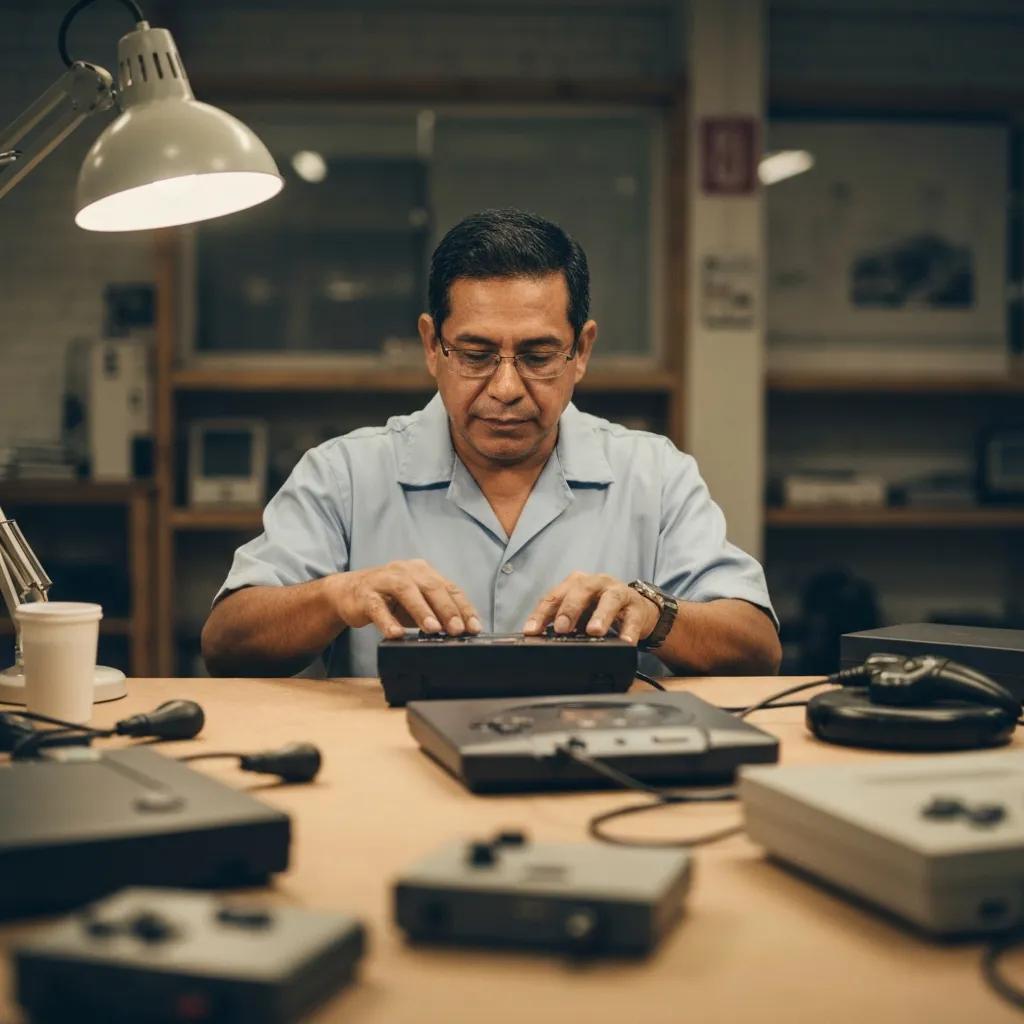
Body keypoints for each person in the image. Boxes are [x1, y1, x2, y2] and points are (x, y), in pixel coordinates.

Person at [202, 209, 780, 679]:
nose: (505, 389)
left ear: (581, 351)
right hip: (393, 776)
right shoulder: (346, 473)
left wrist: (655, 615)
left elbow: (757, 647)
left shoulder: (654, 475)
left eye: (537, 356)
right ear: (433, 345)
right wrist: (337, 595)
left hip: (599, 771)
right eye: (476, 356)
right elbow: (226, 642)